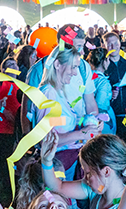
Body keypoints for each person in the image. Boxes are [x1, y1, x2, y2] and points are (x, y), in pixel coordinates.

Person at [34, 47, 102, 179]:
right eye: (73, 67)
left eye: (76, 67)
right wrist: (82, 133)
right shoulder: (48, 93)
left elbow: (59, 125)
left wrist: (89, 124)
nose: (75, 73)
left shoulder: (59, 92)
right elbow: (45, 140)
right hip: (58, 165)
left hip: (68, 161)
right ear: (57, 64)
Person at [102, 32, 126, 144]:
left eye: (115, 43)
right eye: (109, 44)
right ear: (104, 46)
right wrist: (109, 94)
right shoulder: (103, 66)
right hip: (111, 116)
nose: (113, 47)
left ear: (120, 43)